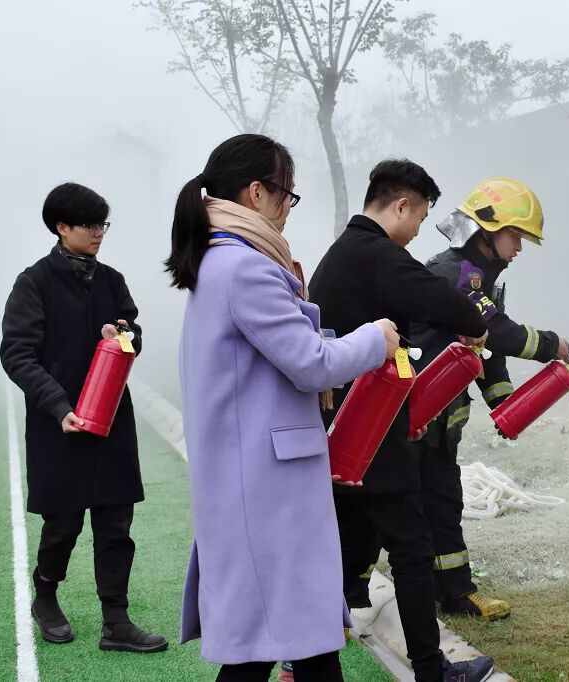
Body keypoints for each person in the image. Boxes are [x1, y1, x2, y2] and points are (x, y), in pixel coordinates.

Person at [168, 133, 398, 682]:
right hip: (266, 488)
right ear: (256, 193)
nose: (288, 208)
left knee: (287, 640)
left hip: (259, 481)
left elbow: (287, 354)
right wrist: (375, 339)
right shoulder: (245, 267)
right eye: (287, 194)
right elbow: (310, 363)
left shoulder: (222, 263)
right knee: (276, 642)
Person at [307, 159, 495, 682]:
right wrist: (475, 322)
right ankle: (433, 672)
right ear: (401, 205)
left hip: (350, 428)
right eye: (418, 217)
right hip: (368, 433)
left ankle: (302, 660)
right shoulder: (375, 252)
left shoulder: (347, 251)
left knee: (347, 546)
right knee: (412, 549)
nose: (416, 232)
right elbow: (439, 296)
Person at [1, 182, 167, 652]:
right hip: (60, 426)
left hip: (111, 419)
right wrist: (58, 405)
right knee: (63, 524)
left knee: (116, 525)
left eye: (102, 224)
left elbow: (134, 333)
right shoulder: (33, 282)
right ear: (61, 228)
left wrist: (125, 334)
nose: (99, 233)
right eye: (89, 225)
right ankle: (46, 597)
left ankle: (116, 622)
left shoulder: (112, 280)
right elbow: (16, 353)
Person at [411, 178, 569, 621]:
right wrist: (550, 344)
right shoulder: (453, 274)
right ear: (488, 227)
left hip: (442, 423)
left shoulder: (479, 278)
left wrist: (505, 405)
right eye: (516, 236)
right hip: (414, 419)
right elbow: (499, 332)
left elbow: (484, 346)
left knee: (444, 505)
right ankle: (353, 597)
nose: (519, 248)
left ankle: (457, 594)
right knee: (395, 513)